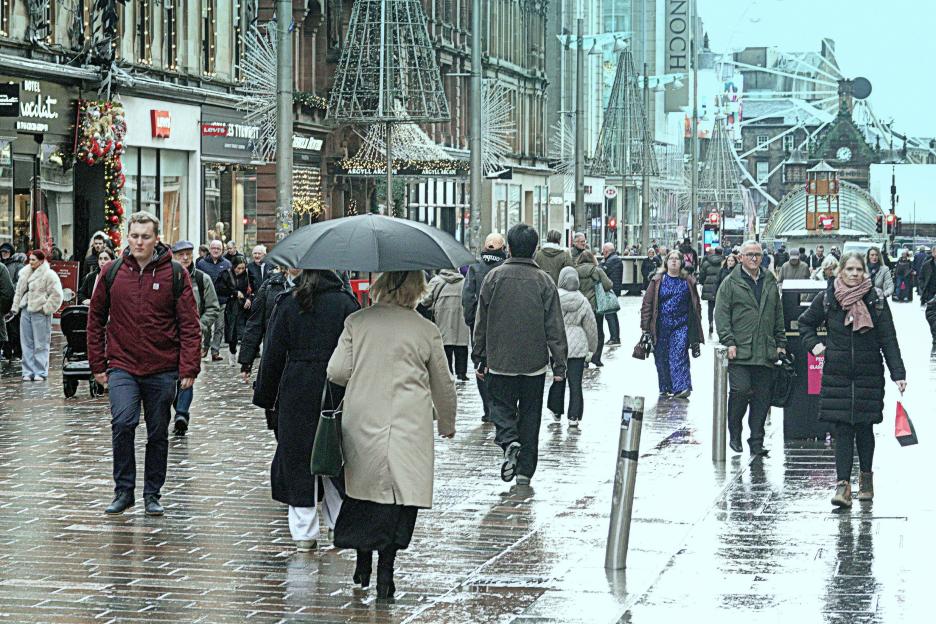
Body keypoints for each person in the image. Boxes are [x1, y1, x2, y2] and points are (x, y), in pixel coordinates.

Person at [326, 270, 456, 599]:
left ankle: (362, 563)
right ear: (417, 290)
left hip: (363, 421)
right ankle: (386, 573)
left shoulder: (357, 322)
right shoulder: (425, 329)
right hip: (409, 424)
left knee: (364, 493)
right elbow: (443, 383)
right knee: (398, 499)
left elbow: (337, 372)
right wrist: (446, 422)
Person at [87, 211, 202, 516]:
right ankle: (124, 491)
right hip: (122, 365)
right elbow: (95, 319)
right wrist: (97, 364)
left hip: (161, 367)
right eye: (134, 236)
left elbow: (190, 324)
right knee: (123, 423)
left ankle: (152, 492)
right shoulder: (112, 271)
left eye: (145, 236)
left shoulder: (175, 273)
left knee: (157, 432)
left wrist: (189, 367)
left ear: (156, 239)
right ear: (127, 237)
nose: (139, 242)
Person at [253, 270, 360, 552]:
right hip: (337, 388)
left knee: (298, 457)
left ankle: (304, 533)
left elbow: (273, 353)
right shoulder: (346, 304)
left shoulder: (288, 302)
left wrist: (265, 395)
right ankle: (340, 524)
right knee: (334, 454)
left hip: (296, 389)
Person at [797, 252, 906, 508]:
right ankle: (843, 486)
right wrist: (815, 346)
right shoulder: (828, 298)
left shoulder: (876, 299)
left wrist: (898, 373)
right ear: (840, 271)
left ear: (865, 272)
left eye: (859, 269)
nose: (854, 274)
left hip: (869, 374)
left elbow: (888, 338)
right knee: (843, 429)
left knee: (865, 428)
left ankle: (866, 478)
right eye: (849, 269)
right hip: (838, 374)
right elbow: (805, 324)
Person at [473, 223, 567, 485]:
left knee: (499, 407)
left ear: (510, 248)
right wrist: (559, 365)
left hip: (500, 360)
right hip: (534, 364)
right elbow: (555, 327)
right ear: (535, 250)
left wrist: (479, 355)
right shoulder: (544, 281)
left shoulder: (494, 278)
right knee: (530, 417)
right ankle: (525, 472)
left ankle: (508, 440)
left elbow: (481, 320)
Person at [714, 240, 786, 456]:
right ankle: (735, 432)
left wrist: (780, 342)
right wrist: (728, 341)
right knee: (740, 391)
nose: (754, 258)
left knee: (762, 398)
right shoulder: (730, 282)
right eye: (750, 254)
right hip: (740, 350)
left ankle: (756, 441)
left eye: (757, 254)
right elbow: (721, 314)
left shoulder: (769, 280)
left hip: (765, 350)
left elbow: (778, 313)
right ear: (741, 258)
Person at [170, 240, 222, 436]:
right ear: (173, 256)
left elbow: (213, 307)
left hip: (191, 337)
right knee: (171, 376)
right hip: (167, 337)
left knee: (187, 372)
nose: (185, 258)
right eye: (180, 254)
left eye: (188, 254)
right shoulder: (166, 277)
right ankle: (178, 406)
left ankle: (182, 414)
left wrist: (199, 326)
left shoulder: (201, 279)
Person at [641, 251, 704, 399]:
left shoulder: (688, 281)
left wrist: (697, 322)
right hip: (660, 325)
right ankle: (666, 386)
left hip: (681, 324)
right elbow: (647, 304)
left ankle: (682, 387)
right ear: (666, 262)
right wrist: (645, 326)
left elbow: (696, 303)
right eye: (671, 259)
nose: (674, 261)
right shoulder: (657, 280)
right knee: (661, 356)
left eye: (677, 259)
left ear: (682, 263)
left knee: (679, 353)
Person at [462, 233, 507, 422]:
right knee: (500, 363)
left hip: (479, 325)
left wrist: (471, 320)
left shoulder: (475, 268)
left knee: (480, 363)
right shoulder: (505, 268)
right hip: (501, 324)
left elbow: (467, 297)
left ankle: (487, 408)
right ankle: (498, 405)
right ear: (503, 248)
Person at [546, 266, 597, 428]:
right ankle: (574, 416)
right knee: (576, 384)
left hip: (557, 344)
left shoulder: (554, 298)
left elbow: (547, 321)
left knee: (558, 378)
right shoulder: (583, 300)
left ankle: (556, 410)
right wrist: (592, 348)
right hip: (578, 345)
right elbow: (591, 327)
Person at [10, 250, 63, 381]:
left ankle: (40, 371)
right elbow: (18, 292)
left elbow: (57, 294)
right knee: (26, 342)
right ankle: (27, 371)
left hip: (40, 311)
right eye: (30, 259)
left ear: (41, 261)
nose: (31, 262)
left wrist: (46, 309)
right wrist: (15, 307)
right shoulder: (24, 273)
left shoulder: (49, 275)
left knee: (41, 342)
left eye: (34, 260)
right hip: (26, 309)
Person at [240, 267, 301, 381]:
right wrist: (246, 361)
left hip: (301, 357)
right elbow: (255, 324)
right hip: (274, 353)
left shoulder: (315, 288)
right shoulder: (270, 285)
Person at [423, 269, 471, 381]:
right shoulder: (464, 282)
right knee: (461, 344)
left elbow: (425, 301)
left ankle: (448, 371)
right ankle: (461, 373)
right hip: (461, 317)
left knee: (445, 345)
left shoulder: (436, 281)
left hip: (442, 317)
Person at [575, 250, 613, 367]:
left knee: (582, 332)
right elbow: (608, 285)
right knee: (598, 332)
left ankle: (583, 359)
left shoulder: (574, 271)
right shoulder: (597, 270)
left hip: (579, 305)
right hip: (595, 306)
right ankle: (596, 358)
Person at [196, 240, 232, 361]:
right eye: (213, 248)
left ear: (222, 250)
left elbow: (231, 282)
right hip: (206, 301)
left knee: (219, 327)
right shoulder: (201, 263)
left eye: (218, 248)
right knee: (206, 326)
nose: (215, 250)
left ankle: (215, 351)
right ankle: (205, 346)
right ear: (210, 249)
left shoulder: (227, 264)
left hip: (221, 301)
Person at [216, 256, 250, 366]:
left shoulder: (247, 275)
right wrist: (234, 293)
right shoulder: (226, 274)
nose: (240, 271)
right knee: (232, 331)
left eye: (243, 268)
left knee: (246, 331)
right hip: (232, 306)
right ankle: (232, 353)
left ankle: (245, 356)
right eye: (238, 268)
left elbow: (252, 288)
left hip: (244, 305)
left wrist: (249, 298)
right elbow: (220, 289)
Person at [600, 242, 623, 345]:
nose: (602, 253)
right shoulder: (614, 259)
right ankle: (615, 337)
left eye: (603, 251)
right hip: (614, 289)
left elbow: (601, 271)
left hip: (611, 290)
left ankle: (614, 338)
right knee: (612, 314)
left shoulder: (612, 260)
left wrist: (601, 263)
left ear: (606, 251)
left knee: (610, 315)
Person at [698, 247, 725, 335]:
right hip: (721, 288)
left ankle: (710, 323)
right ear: (721, 253)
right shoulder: (724, 263)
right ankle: (720, 325)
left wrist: (703, 283)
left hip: (710, 288)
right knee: (721, 308)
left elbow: (702, 275)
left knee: (710, 308)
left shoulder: (707, 262)